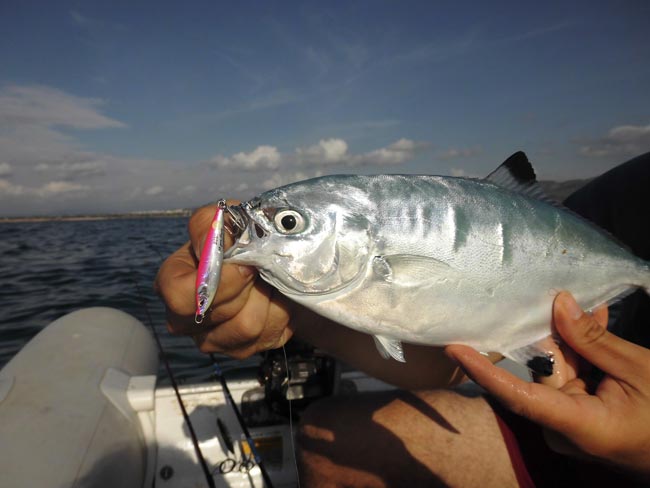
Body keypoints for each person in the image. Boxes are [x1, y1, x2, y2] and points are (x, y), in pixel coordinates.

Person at [155, 153, 650, 486]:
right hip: (576, 421)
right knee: (322, 435)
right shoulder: (630, 194)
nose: (273, 230)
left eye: (289, 224)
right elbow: (452, 359)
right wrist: (289, 314)